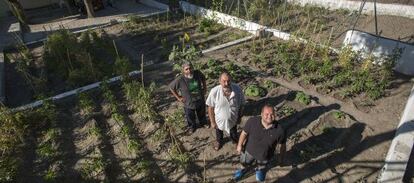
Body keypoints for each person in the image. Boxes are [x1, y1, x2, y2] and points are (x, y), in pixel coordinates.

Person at [234, 104, 286, 182]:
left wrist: (281, 158)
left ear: (275, 115)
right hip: (249, 152)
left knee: (261, 170)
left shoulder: (280, 130)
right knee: (244, 163)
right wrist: (239, 145)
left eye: (272, 114)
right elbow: (244, 133)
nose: (269, 116)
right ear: (261, 114)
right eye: (267, 114)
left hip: (264, 157)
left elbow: (282, 145)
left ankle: (259, 174)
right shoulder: (252, 121)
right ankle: (242, 170)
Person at [206, 71, 245, 151]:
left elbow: (241, 104)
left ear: (231, 80)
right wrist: (212, 122)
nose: (227, 83)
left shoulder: (237, 89)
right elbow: (210, 108)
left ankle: (235, 141)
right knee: (219, 132)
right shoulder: (214, 91)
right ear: (219, 81)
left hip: (233, 118)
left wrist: (239, 116)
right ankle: (219, 142)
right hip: (219, 120)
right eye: (224, 81)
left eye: (228, 81)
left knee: (233, 132)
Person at [169, 61, 208, 133]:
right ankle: (192, 127)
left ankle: (203, 123)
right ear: (183, 70)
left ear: (193, 68)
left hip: (199, 99)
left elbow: (203, 78)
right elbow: (171, 87)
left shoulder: (197, 73)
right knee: (190, 116)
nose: (189, 70)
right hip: (188, 102)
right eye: (186, 69)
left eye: (190, 68)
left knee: (201, 113)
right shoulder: (180, 79)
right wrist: (178, 97)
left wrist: (205, 88)